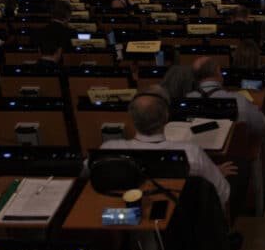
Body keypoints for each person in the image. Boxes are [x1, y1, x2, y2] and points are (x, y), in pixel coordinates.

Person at [100, 86, 235, 210]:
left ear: (131, 118)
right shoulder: (191, 153)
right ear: (166, 116)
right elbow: (224, 193)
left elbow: (86, 171)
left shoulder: (108, 150)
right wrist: (213, 173)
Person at [187, 57, 265, 136]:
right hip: (237, 148)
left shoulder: (186, 100)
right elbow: (262, 126)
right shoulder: (239, 100)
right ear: (218, 71)